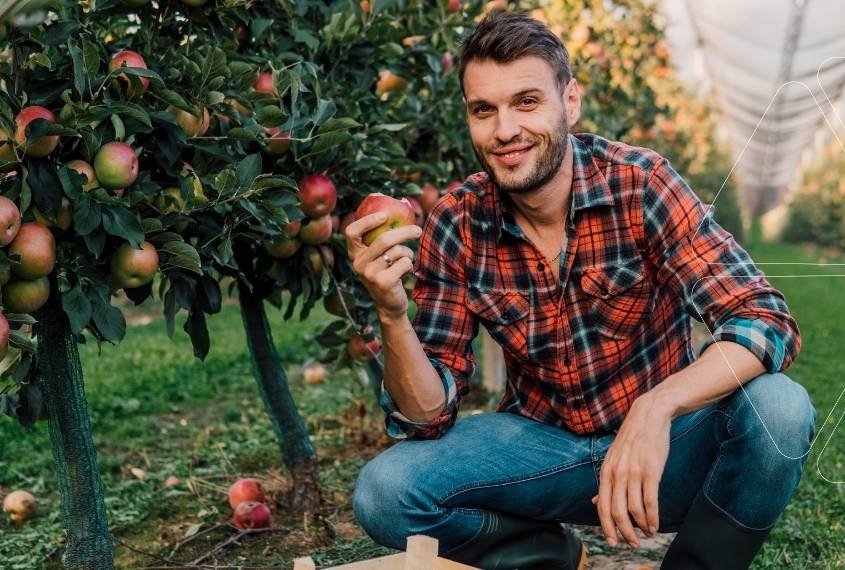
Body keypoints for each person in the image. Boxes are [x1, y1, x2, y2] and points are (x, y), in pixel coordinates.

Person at [344, 12, 816, 570]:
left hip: (665, 454)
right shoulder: (456, 221)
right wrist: (393, 315)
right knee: (386, 491)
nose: (504, 131)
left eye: (526, 102)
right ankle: (549, 555)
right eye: (483, 110)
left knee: (780, 410)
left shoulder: (640, 184)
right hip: (545, 453)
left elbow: (763, 318)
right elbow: (426, 417)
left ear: (569, 103)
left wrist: (657, 407)